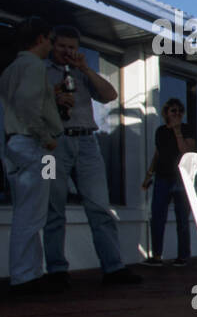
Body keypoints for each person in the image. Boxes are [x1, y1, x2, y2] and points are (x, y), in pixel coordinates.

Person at [43, 25, 140, 287]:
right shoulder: (42, 71)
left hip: (87, 142)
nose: (67, 52)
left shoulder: (82, 73)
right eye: (62, 46)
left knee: (99, 207)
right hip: (54, 143)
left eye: (72, 47)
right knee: (53, 208)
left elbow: (110, 95)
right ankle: (56, 271)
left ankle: (113, 267)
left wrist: (85, 69)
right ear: (52, 45)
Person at [1, 17, 63, 293]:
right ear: (40, 39)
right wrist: (46, 138)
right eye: (50, 39)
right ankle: (26, 277)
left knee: (25, 213)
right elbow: (28, 105)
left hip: (15, 145)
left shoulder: (10, 69)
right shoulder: (34, 66)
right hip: (33, 146)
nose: (51, 45)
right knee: (33, 214)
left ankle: (29, 273)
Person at [141, 98, 196, 265]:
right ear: (166, 113)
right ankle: (157, 256)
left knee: (182, 220)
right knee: (157, 217)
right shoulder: (160, 131)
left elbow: (187, 151)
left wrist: (178, 131)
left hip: (182, 179)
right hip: (162, 178)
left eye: (180, 111)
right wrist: (148, 175)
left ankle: (183, 257)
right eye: (174, 111)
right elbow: (158, 154)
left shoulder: (187, 129)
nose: (177, 114)